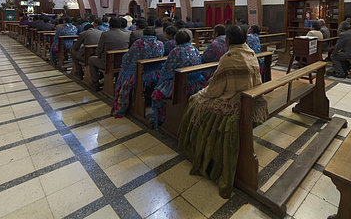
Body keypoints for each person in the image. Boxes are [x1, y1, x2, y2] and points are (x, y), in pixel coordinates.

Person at [177, 25, 264, 198]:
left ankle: (199, 148)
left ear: (228, 40)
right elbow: (258, 81)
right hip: (251, 96)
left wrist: (204, 92)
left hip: (235, 101)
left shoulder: (228, 58)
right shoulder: (251, 53)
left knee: (195, 102)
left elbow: (215, 89)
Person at [151, 30, 205, 128]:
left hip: (181, 83)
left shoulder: (176, 51)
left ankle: (162, 118)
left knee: (156, 93)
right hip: (197, 81)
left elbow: (166, 70)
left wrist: (161, 79)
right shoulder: (194, 48)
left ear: (176, 40)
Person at [111, 26, 164, 118]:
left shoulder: (139, 43)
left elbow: (128, 57)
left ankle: (123, 105)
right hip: (155, 72)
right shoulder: (160, 43)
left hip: (141, 73)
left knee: (123, 72)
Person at [88, 17, 131, 90]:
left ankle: (95, 83)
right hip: (122, 63)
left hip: (108, 63)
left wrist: (98, 56)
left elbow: (99, 49)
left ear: (109, 25)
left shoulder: (105, 34)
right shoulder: (127, 35)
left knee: (91, 59)